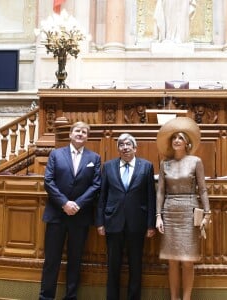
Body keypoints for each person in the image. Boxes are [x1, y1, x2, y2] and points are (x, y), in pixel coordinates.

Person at [39, 121, 101, 300]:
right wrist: (65, 203)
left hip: (79, 217)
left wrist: (77, 204)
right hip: (56, 215)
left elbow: (96, 185)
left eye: (84, 132)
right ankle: (45, 297)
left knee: (75, 261)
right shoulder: (56, 155)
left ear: (87, 136)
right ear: (70, 134)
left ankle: (71, 297)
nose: (80, 134)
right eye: (77, 131)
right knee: (52, 260)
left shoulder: (94, 158)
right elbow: (48, 182)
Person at [155, 117, 211, 300]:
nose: (176, 140)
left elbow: (202, 189)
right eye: (174, 138)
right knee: (172, 260)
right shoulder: (165, 163)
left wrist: (207, 213)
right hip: (170, 211)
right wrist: (158, 216)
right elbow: (161, 191)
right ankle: (174, 298)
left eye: (180, 137)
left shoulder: (196, 161)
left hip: (189, 211)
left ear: (187, 142)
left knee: (187, 261)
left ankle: (186, 298)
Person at [96, 133, 156, 300]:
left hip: (137, 223)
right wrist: (100, 222)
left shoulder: (147, 166)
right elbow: (102, 195)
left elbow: (151, 196)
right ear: (118, 149)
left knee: (135, 265)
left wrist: (151, 224)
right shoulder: (108, 166)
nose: (125, 147)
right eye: (121, 144)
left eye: (128, 144)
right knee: (113, 265)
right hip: (113, 222)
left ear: (135, 148)